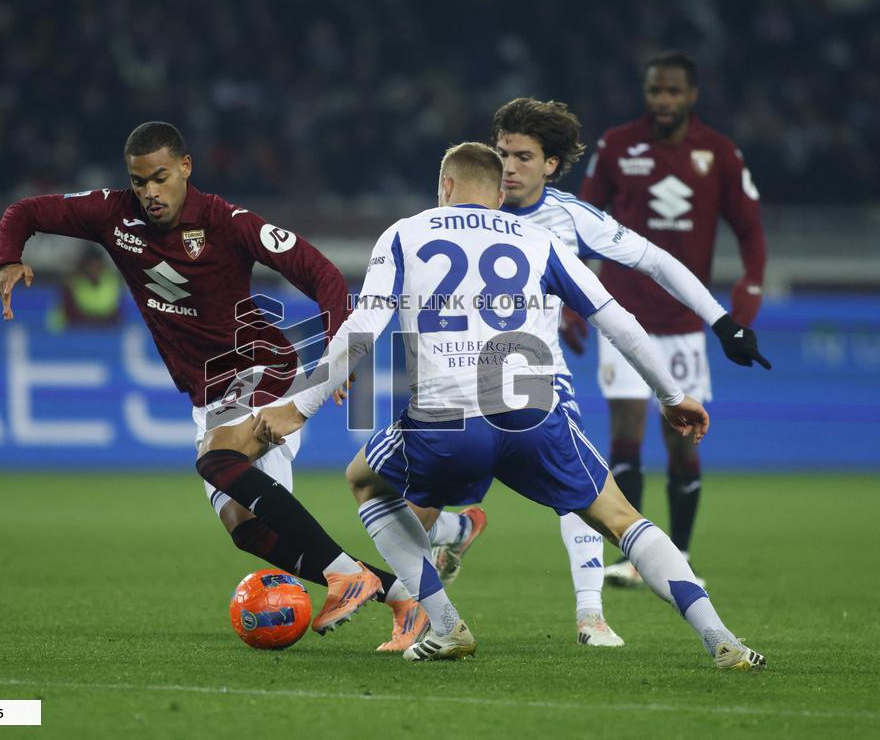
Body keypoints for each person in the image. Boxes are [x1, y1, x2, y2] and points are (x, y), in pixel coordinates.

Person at [253, 142, 766, 670]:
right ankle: (720, 638)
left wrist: (301, 407)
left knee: (364, 480)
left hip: (446, 422)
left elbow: (363, 326)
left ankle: (447, 626)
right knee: (621, 518)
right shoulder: (539, 239)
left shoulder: (406, 233)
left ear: (445, 187)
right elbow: (618, 320)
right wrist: (671, 395)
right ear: (499, 196)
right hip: (533, 416)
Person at [0, 120, 470, 650]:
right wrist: (8, 256)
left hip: (261, 370)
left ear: (185, 168)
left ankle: (347, 576)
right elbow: (25, 211)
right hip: (210, 394)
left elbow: (322, 273)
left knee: (216, 460)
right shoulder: (112, 213)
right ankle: (402, 597)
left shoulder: (227, 221)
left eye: (160, 178)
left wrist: (338, 352)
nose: (150, 192)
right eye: (139, 181)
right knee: (247, 528)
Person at [488, 97, 769, 642]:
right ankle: (442, 559)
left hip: (534, 374)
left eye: (523, 156)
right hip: (458, 373)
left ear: (551, 164)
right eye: (502, 154)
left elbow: (656, 261)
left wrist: (721, 321)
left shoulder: (571, 218)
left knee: (577, 487)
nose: (508, 167)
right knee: (406, 489)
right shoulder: (467, 204)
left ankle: (590, 613)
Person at [578, 51, 769, 586]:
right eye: (654, 91)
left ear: (692, 95)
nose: (662, 100)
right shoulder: (617, 146)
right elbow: (581, 224)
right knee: (625, 433)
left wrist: (749, 291)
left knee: (683, 441)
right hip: (621, 315)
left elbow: (750, 228)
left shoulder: (719, 152)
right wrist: (574, 300)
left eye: (672, 91)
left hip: (684, 323)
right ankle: (635, 556)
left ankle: (679, 555)